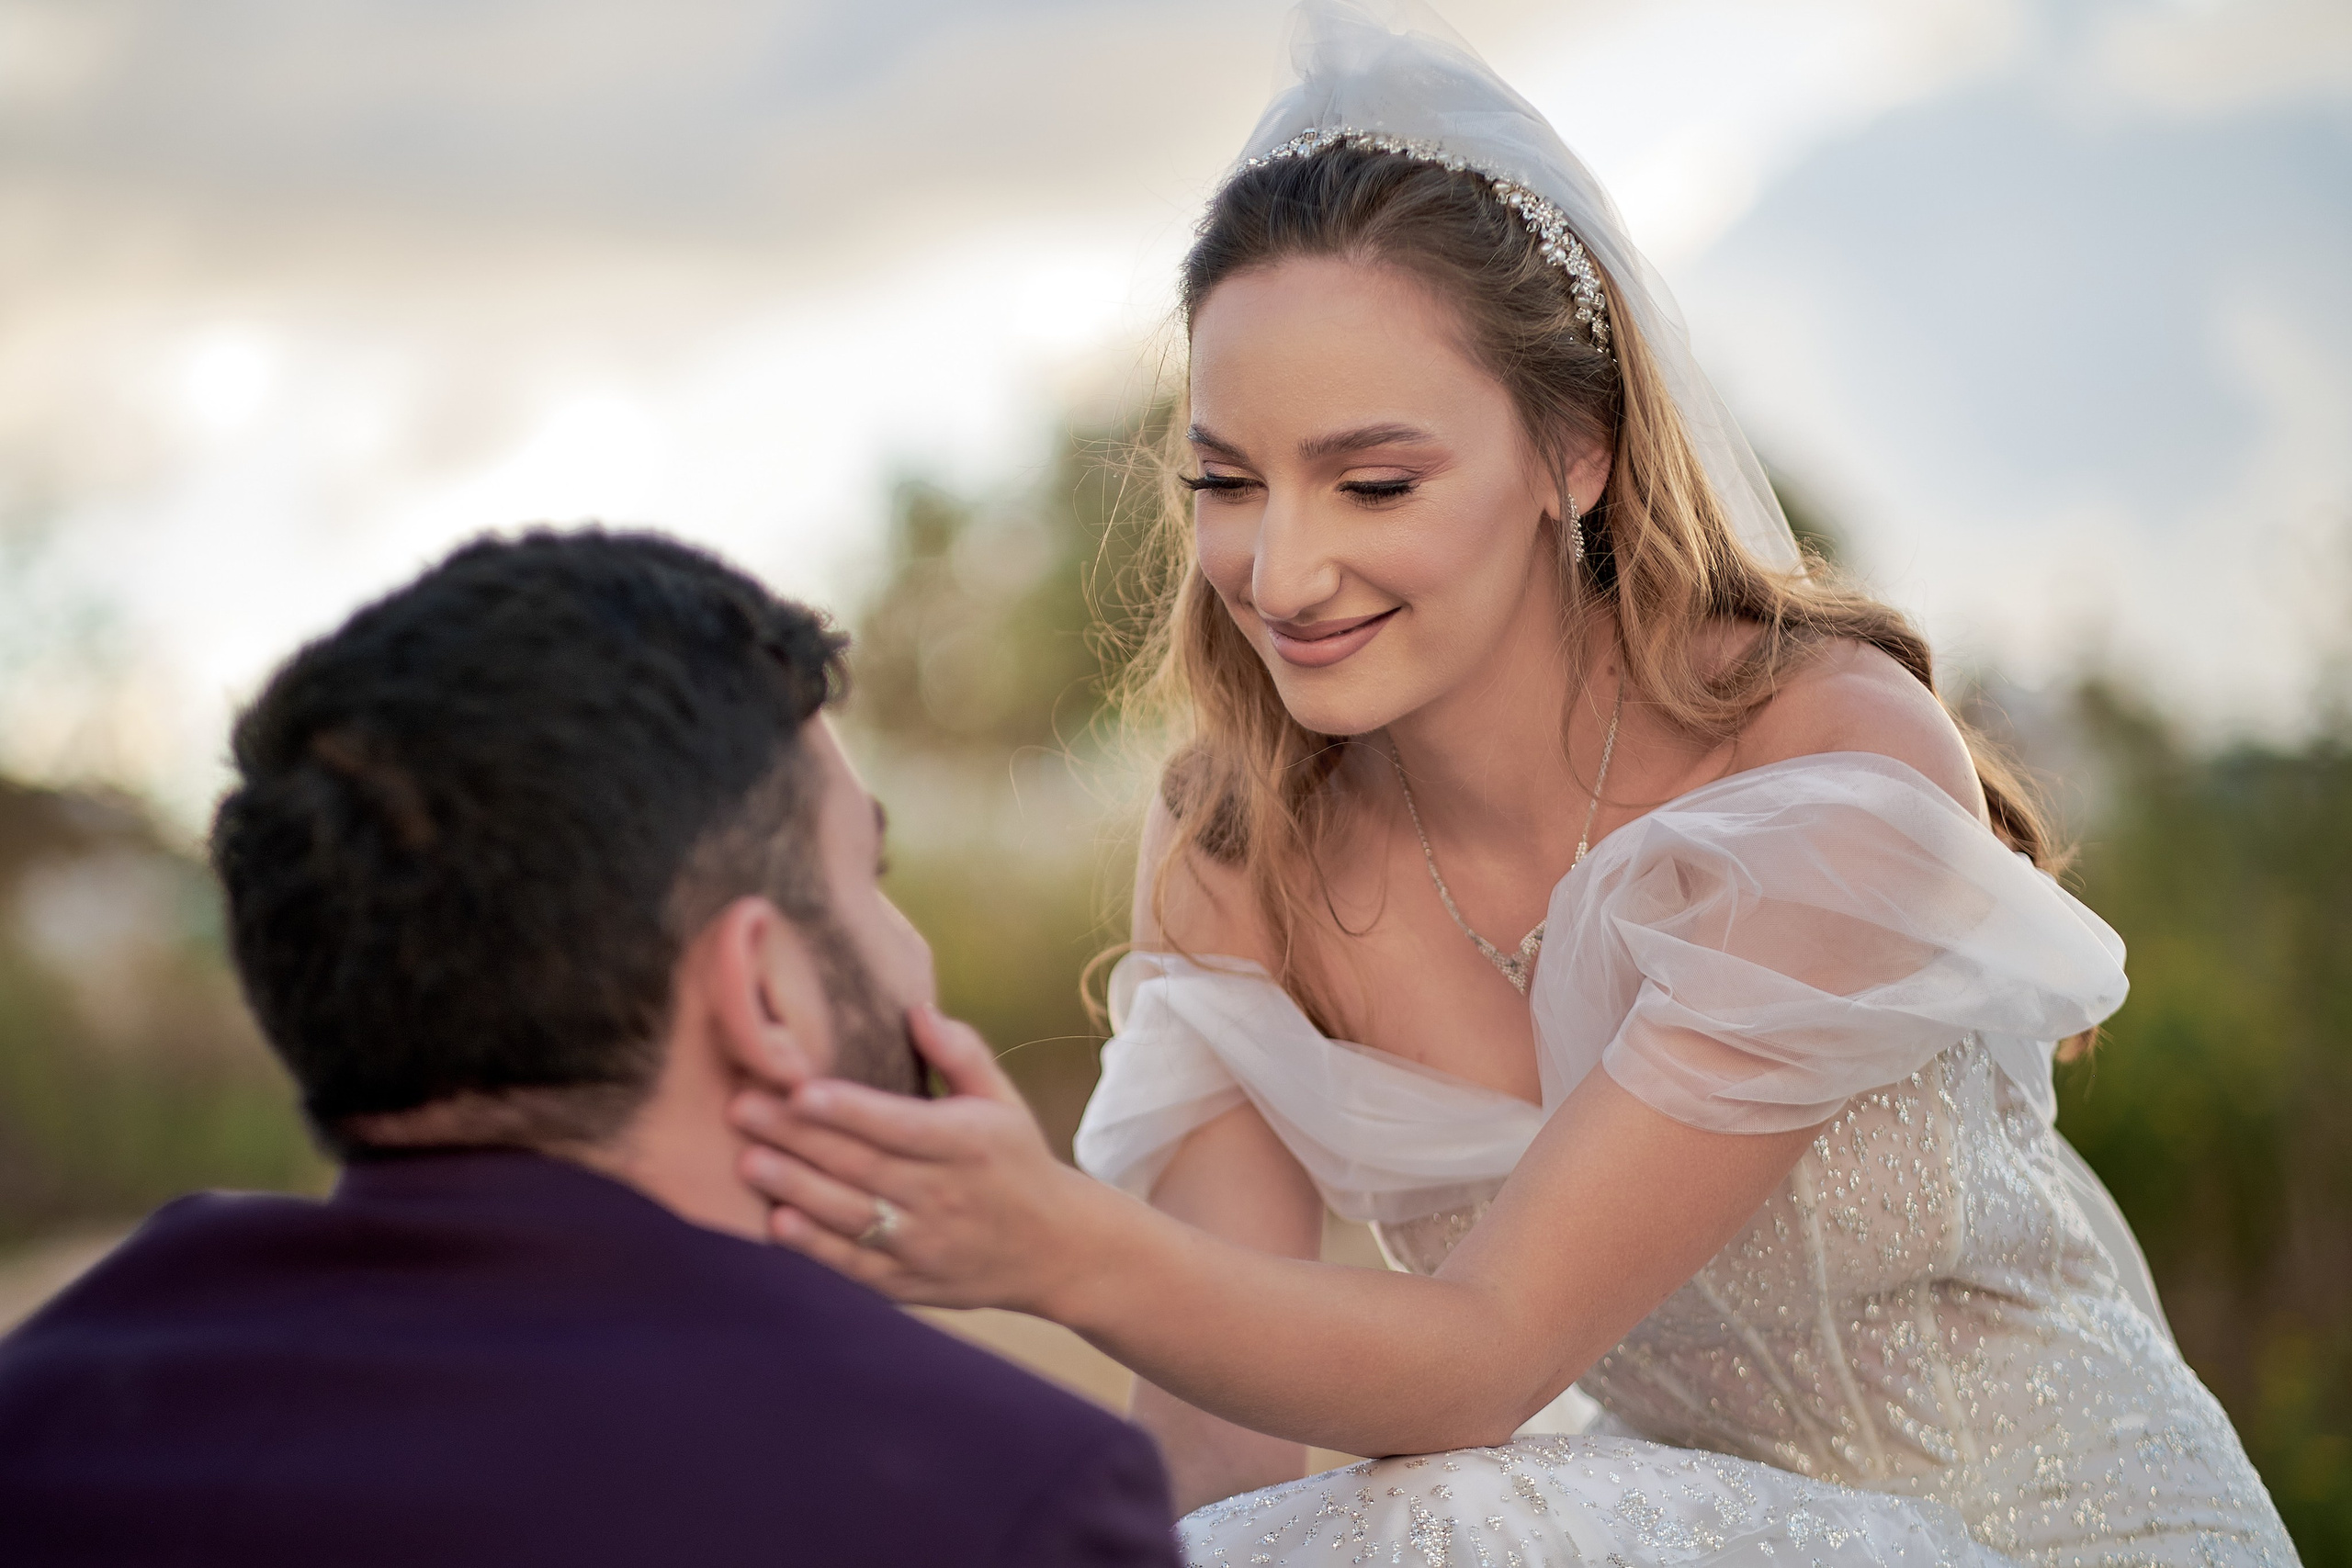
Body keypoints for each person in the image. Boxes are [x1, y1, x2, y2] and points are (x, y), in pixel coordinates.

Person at [724, 4, 2299, 1563]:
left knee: (1459, 1506)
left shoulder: (1821, 758)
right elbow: (1217, 1451)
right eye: (1225, 481)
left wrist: (1053, 1245)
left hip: (2061, 1528)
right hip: (1691, 1528)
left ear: (1577, 453)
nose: (1280, 568)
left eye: (1375, 482)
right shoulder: (1239, 840)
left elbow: (1484, 1358)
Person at [0, 532, 1180, 1568]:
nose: (910, 951)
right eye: (870, 878)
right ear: (762, 990)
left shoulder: (47, 1413)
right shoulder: (998, 1499)